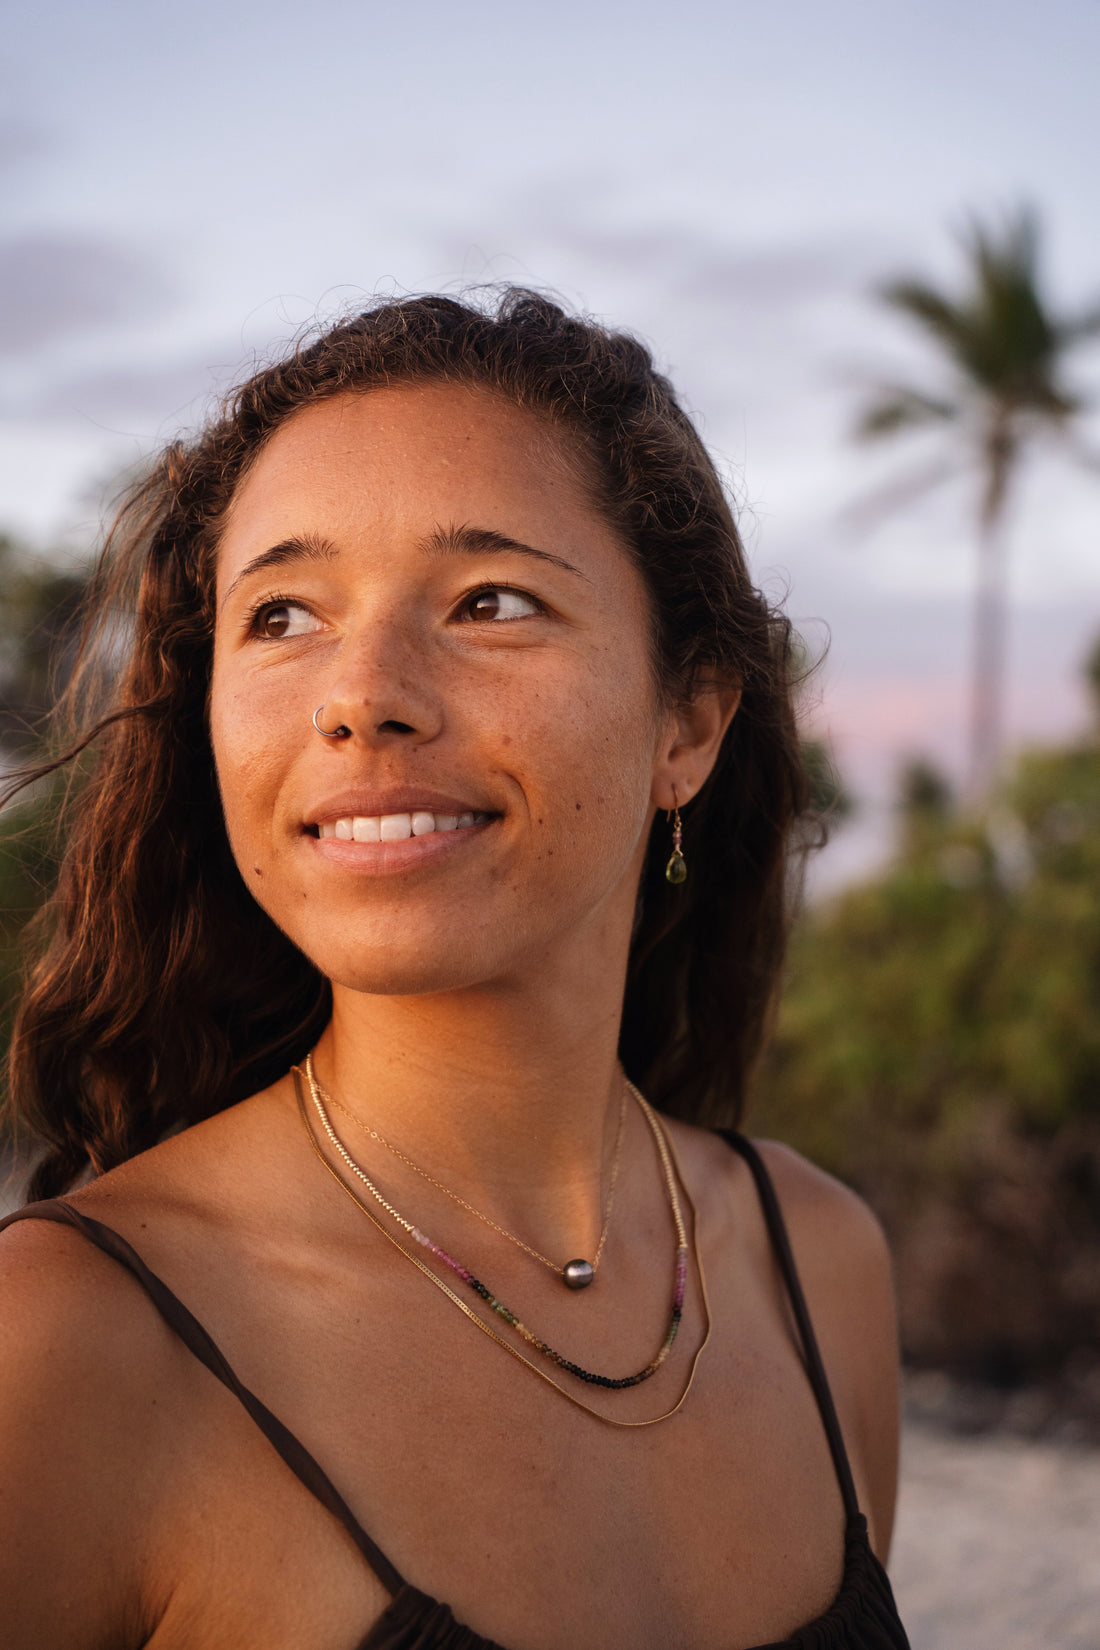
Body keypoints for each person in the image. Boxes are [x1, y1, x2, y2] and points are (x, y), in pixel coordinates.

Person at [0, 290, 908, 1649]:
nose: (362, 695)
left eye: (491, 602)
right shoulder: (71, 1344)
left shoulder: (818, 1269)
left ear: (689, 722)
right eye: (282, 615)